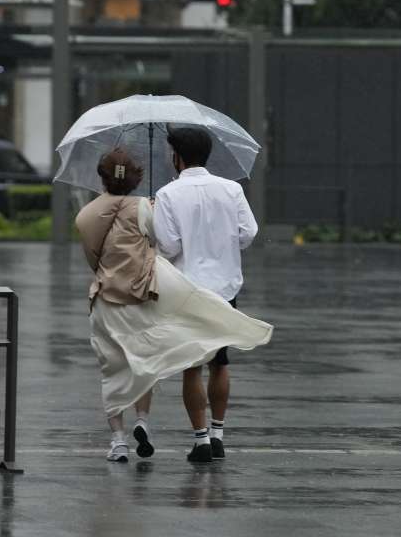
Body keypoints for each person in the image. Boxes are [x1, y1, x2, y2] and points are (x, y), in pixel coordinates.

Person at [77, 147, 271, 463]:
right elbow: (162, 243)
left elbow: (94, 258)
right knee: (151, 362)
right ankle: (199, 430)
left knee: (114, 368)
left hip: (105, 297)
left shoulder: (85, 215)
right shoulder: (148, 206)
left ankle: (121, 441)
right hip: (159, 291)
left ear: (102, 176)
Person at [153, 126, 259, 464]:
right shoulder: (231, 189)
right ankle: (218, 435)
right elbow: (248, 234)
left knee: (191, 367)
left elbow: (168, 246)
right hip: (226, 287)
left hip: (188, 289)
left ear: (177, 157)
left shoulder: (168, 195)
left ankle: (199, 440)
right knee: (220, 362)